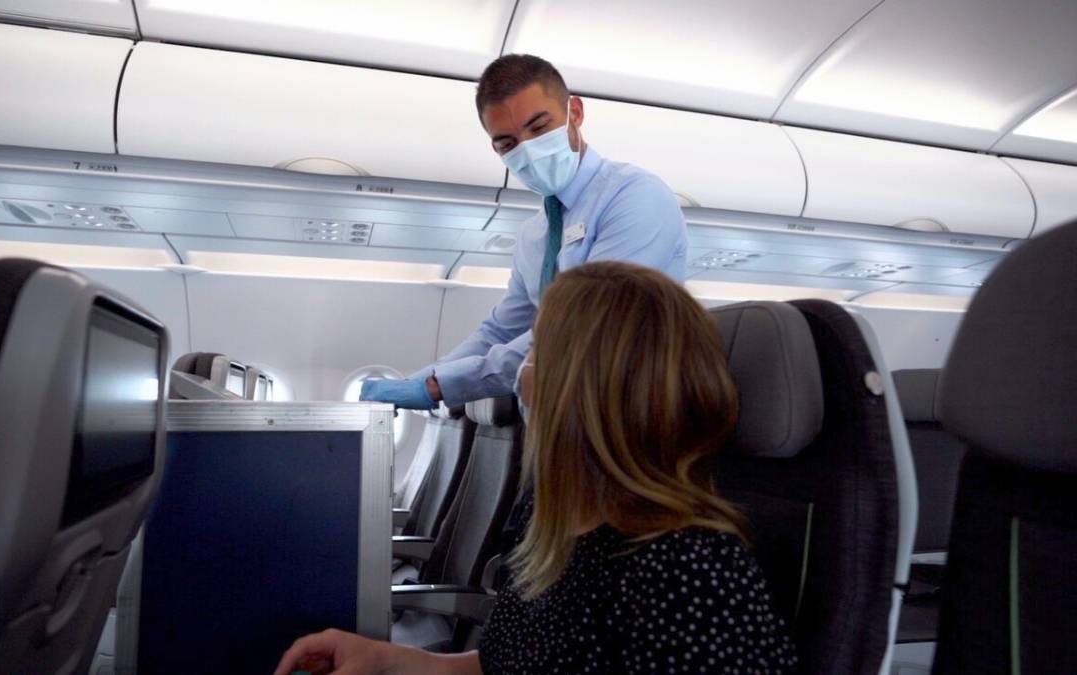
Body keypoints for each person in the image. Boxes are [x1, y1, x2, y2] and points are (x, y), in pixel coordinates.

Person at [277, 261, 797, 675]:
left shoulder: (688, 574)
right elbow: (506, 664)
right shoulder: (554, 519)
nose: (520, 375)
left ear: (583, 394)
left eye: (538, 352)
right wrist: (388, 661)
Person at [360, 54, 687, 410]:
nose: (528, 150)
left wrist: (442, 386)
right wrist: (422, 379)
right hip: (556, 423)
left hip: (631, 415)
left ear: (574, 112)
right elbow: (499, 331)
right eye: (508, 143)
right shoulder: (534, 234)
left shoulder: (635, 196)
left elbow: (584, 327)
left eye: (539, 128)